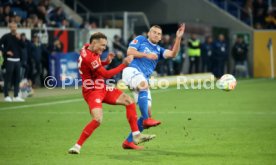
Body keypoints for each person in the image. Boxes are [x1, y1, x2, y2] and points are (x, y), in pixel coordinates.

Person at [68, 32, 155, 154]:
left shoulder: (87, 47)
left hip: (102, 87)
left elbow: (93, 66)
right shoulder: (89, 57)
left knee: (129, 101)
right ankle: (77, 146)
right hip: (92, 91)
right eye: (102, 45)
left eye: (105, 46)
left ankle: (136, 135)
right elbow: (106, 74)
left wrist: (105, 62)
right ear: (94, 43)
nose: (104, 48)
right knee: (97, 119)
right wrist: (124, 64)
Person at [122, 24, 185, 149]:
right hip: (131, 71)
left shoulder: (159, 50)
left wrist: (178, 38)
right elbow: (129, 51)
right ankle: (145, 119)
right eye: (154, 32)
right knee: (144, 86)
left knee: (148, 113)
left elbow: (173, 54)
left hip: (142, 78)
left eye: (159, 33)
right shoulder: (141, 40)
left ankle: (129, 141)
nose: (156, 34)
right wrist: (146, 55)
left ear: (161, 37)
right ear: (149, 33)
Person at [0, 22, 25, 102]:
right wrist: (6, 51)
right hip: (9, 60)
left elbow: (24, 46)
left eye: (15, 26)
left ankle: (16, 96)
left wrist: (20, 39)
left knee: (17, 79)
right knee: (8, 79)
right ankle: (6, 96)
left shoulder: (19, 36)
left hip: (17, 60)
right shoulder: (6, 36)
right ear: (9, 28)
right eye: (12, 27)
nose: (14, 28)